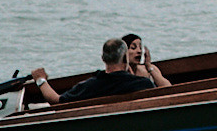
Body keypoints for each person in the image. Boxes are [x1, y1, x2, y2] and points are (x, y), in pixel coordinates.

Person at [27, 38, 160, 106]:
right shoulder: (143, 84)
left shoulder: (88, 86)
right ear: (125, 58)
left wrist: (40, 80)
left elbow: (57, 101)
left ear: (103, 59)